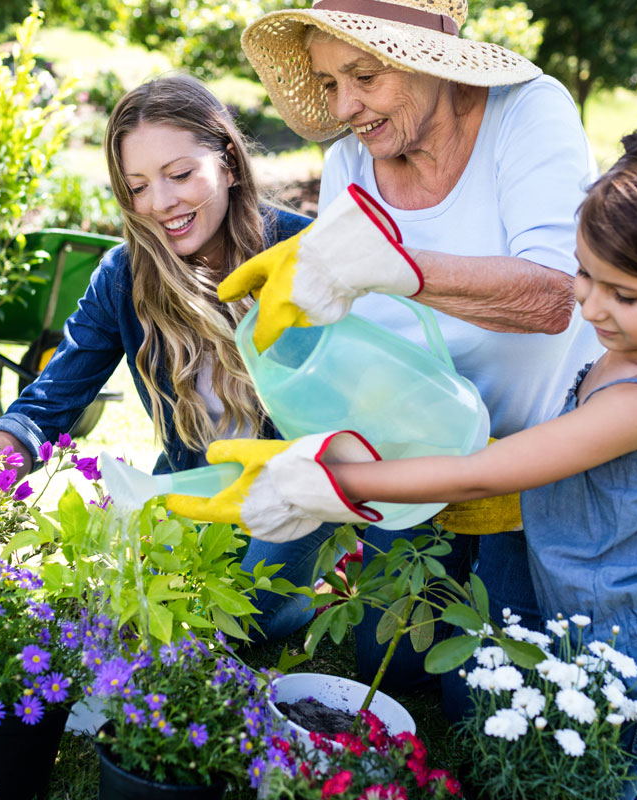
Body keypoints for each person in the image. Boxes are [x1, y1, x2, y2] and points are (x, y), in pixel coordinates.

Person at [165, 126, 637, 798]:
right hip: (584, 613)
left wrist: (331, 482)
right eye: (583, 273)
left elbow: (486, 472)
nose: (590, 304)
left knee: (590, 787)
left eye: (624, 294)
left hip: (632, 652)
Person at [215, 0, 603, 695]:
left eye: (364, 75)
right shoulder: (350, 166)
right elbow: (368, 350)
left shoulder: (527, 113)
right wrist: (321, 445)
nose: (347, 106)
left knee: (482, 703)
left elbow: (556, 298)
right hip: (420, 462)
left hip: (536, 469)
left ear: (431, 59)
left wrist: (399, 265)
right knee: (383, 669)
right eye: (330, 83)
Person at [0, 73, 331, 639]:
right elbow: (49, 402)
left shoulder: (303, 253)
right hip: (189, 490)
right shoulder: (124, 275)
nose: (161, 204)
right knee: (130, 615)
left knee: (243, 623)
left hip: (291, 495)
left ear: (229, 164)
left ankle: (313, 584)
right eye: (137, 186)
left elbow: (353, 412)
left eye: (180, 175)